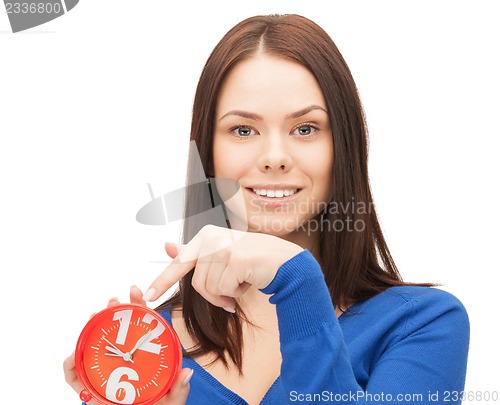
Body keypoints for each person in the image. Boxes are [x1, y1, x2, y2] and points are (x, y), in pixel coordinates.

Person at [64, 14, 470, 404]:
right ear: (208, 153)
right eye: (243, 130)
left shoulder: (423, 325)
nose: (274, 157)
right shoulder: (140, 353)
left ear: (344, 148)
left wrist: (297, 282)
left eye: (305, 128)